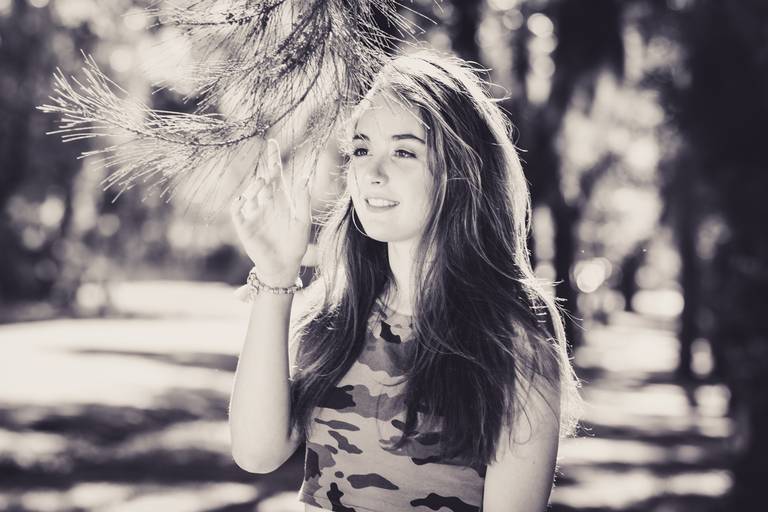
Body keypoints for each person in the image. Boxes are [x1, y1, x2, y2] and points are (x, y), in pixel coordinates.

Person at [228, 50, 580, 512]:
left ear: (460, 171)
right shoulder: (335, 314)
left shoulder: (512, 340)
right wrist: (276, 277)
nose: (372, 174)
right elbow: (257, 453)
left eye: (403, 151)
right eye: (361, 149)